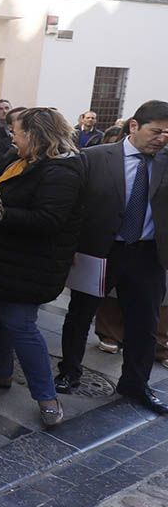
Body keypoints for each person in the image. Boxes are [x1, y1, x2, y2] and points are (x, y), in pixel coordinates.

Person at [0, 108, 83, 427]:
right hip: (0, 258)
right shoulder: (17, 159)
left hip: (31, 265)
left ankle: (46, 396)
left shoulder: (62, 170)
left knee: (20, 325)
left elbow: (50, 220)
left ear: (35, 135)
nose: (12, 137)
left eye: (16, 132)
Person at [55, 100, 168, 415]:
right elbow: (74, 208)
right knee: (80, 314)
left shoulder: (165, 161)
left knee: (145, 322)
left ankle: (135, 383)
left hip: (147, 255)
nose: (162, 138)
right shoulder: (94, 158)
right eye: (156, 131)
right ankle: (69, 372)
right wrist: (71, 250)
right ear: (134, 126)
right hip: (100, 251)